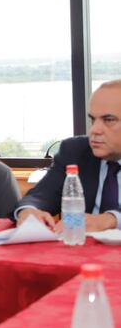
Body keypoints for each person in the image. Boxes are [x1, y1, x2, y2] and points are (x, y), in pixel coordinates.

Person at [16, 79, 121, 232]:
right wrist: (28, 210)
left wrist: (112, 219)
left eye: (109, 120)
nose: (95, 130)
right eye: (93, 119)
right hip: (81, 251)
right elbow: (40, 196)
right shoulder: (74, 151)